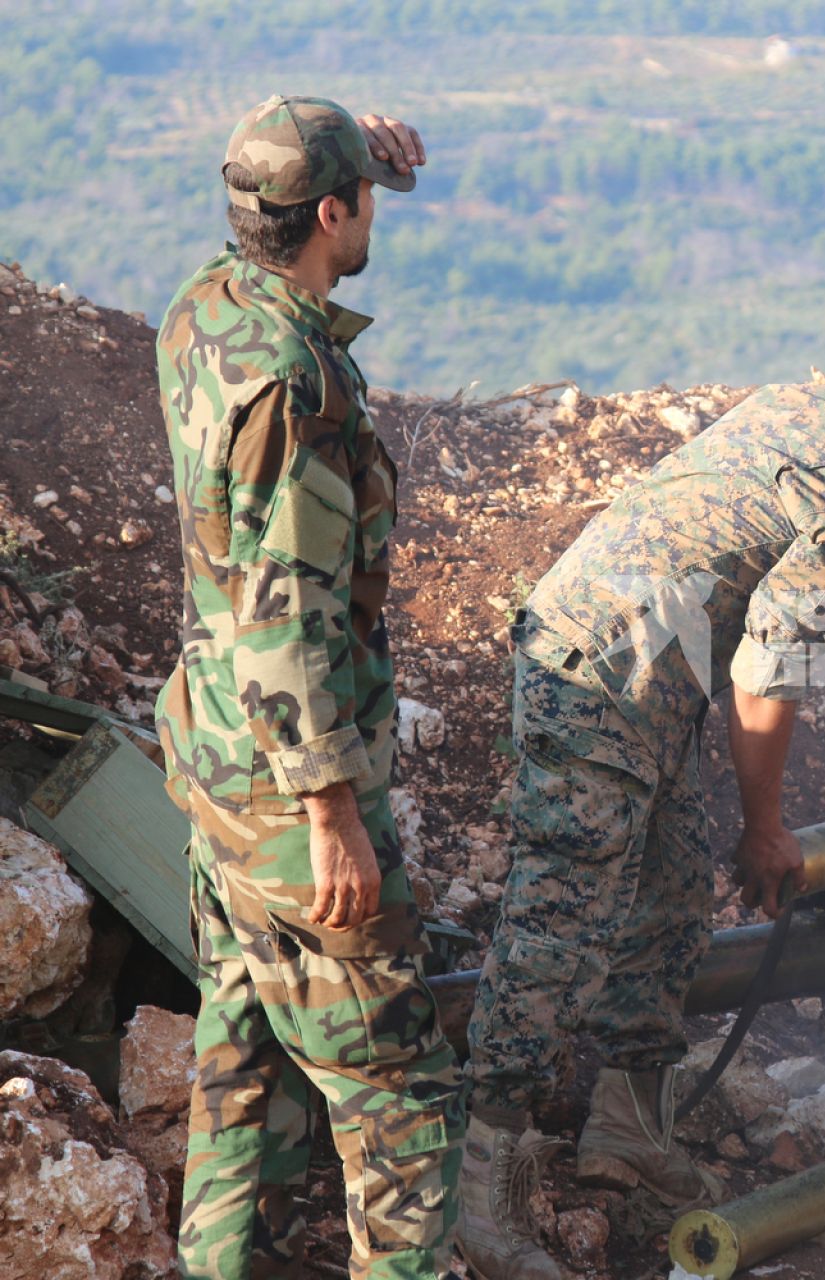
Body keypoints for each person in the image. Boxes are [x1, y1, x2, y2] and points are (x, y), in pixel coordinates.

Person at [457, 325, 825, 1278]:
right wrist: (767, 828)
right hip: (601, 676)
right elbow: (770, 670)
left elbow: (767, 571)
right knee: (559, 929)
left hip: (641, 669)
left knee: (674, 894)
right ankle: (480, 1186)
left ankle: (627, 1129)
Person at [154, 95, 463, 1280]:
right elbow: (288, 612)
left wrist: (335, 150)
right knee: (400, 1093)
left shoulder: (204, 308)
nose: (374, 212)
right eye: (362, 198)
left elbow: (272, 196)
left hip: (216, 759)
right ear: (330, 213)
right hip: (290, 797)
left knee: (238, 1054)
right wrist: (333, 815)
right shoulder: (295, 384)